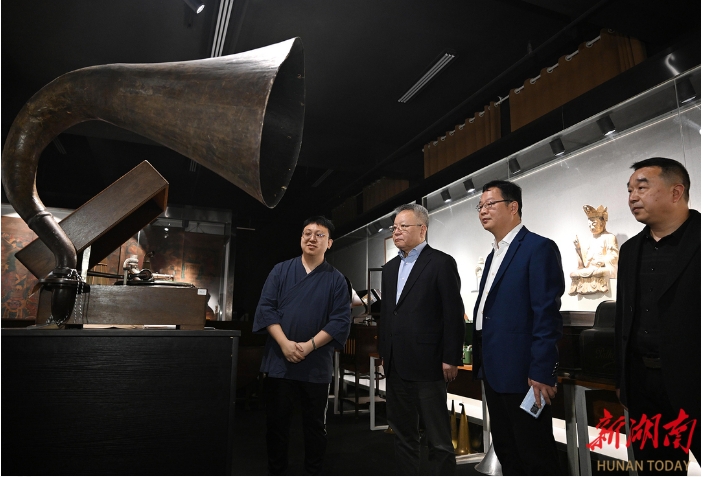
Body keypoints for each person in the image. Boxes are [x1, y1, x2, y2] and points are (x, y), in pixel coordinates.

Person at [472, 180, 564, 475]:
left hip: (525, 373)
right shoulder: (492, 255)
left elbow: (546, 314)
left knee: (534, 453)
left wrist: (542, 370)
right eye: (480, 206)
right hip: (493, 369)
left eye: (490, 204)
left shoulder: (538, 248)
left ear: (513, 207)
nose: (483, 210)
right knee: (507, 450)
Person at [615, 158, 700, 474]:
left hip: (696, 380)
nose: (632, 197)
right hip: (644, 383)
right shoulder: (630, 250)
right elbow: (623, 318)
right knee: (656, 468)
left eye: (642, 187)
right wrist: (623, 379)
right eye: (629, 190)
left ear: (676, 192)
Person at [252, 216, 352, 475]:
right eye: (307, 233)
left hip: (315, 362)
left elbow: (340, 320)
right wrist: (284, 344)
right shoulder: (280, 270)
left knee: (315, 426)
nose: (312, 238)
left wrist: (309, 346)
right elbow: (266, 309)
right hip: (280, 359)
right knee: (276, 425)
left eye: (319, 235)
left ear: (329, 243)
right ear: (300, 238)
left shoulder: (337, 280)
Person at [378, 203, 465, 475]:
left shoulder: (440, 262)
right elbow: (387, 315)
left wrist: (451, 357)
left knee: (438, 439)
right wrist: (384, 353)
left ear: (422, 229)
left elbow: (453, 314)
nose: (397, 231)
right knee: (403, 435)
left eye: (404, 226)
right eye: (394, 227)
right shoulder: (389, 268)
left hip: (429, 364)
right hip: (395, 364)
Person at [568, 204, 619, 295]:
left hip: (601, 268)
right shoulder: (590, 240)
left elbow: (614, 256)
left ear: (602, 223)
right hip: (591, 269)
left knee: (601, 272)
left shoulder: (609, 237)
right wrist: (578, 248)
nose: (591, 227)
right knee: (573, 274)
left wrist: (603, 260)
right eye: (589, 225)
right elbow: (584, 263)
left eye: (594, 224)